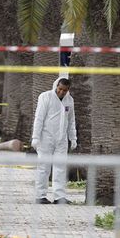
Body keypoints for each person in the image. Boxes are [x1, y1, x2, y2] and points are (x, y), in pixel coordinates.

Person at [31, 77, 77, 205]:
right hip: (46, 138)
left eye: (65, 90)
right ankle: (40, 196)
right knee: (43, 167)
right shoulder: (45, 97)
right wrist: (35, 137)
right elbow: (39, 118)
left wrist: (73, 138)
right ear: (56, 86)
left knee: (60, 167)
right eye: (60, 89)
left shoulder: (70, 100)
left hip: (61, 140)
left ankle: (59, 197)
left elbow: (71, 121)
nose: (62, 92)